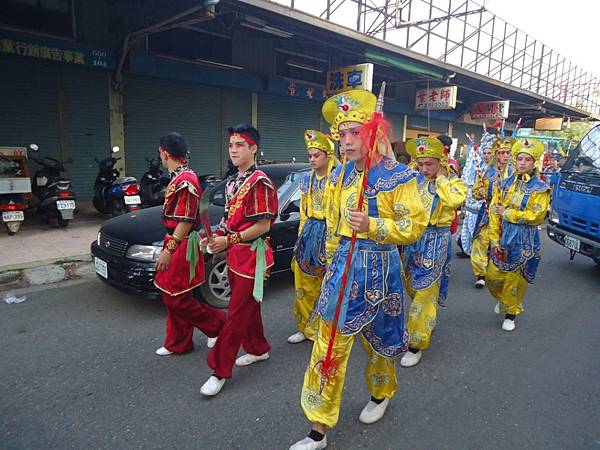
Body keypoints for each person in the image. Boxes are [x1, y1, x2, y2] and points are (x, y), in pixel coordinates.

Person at [290, 89, 427, 450]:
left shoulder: (399, 176)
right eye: (343, 134)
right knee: (328, 345)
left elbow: (413, 226)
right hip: (343, 271)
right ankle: (317, 428)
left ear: (374, 132)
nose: (347, 142)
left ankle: (380, 394)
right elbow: (335, 227)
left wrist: (374, 226)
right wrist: (331, 264)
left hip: (382, 270)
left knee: (381, 344)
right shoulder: (339, 176)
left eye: (355, 133)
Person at [200, 124, 278, 396]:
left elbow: (264, 225)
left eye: (240, 145)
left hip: (253, 257)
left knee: (235, 314)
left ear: (253, 148)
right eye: (231, 145)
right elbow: (227, 220)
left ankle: (219, 370)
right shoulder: (234, 181)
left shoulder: (261, 182)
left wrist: (228, 240)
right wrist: (213, 236)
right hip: (236, 255)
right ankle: (258, 349)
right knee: (248, 308)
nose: (233, 150)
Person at [154, 132, 227, 357]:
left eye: (160, 154)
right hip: (177, 240)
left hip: (182, 243)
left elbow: (185, 220)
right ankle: (178, 342)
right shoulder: (180, 176)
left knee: (175, 297)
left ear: (165, 153)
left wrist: (168, 250)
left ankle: (217, 325)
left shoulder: (185, 180)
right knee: (176, 294)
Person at [400, 137, 467, 368]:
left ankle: (415, 344)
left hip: (436, 240)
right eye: (420, 164)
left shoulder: (453, 182)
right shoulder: (413, 181)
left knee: (424, 291)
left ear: (440, 161)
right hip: (411, 238)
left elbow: (455, 201)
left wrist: (441, 179)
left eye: (429, 164)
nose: (424, 169)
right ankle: (426, 319)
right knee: (410, 285)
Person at [485, 138, 551, 331]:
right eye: (519, 158)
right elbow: (493, 211)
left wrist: (507, 213)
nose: (522, 163)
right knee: (492, 277)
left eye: (527, 159)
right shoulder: (504, 184)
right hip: (503, 237)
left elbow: (535, 216)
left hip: (524, 240)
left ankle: (510, 313)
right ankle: (505, 301)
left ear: (534, 162)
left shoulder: (540, 188)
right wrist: (494, 238)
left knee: (515, 280)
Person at [288, 130, 337, 344]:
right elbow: (304, 213)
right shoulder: (306, 180)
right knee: (303, 283)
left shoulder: (339, 179)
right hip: (309, 232)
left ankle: (320, 328)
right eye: (310, 156)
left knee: (327, 284)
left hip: (331, 233)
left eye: (317, 155)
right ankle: (304, 325)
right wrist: (300, 240)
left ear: (328, 155)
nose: (312, 160)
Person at [470, 138, 515, 288]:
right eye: (502, 153)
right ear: (496, 155)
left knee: (503, 244)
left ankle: (502, 271)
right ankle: (481, 274)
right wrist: (479, 191)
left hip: (506, 215)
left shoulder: (515, 174)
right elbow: (475, 193)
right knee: (480, 242)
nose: (505, 156)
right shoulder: (486, 173)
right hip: (486, 213)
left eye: (508, 153)